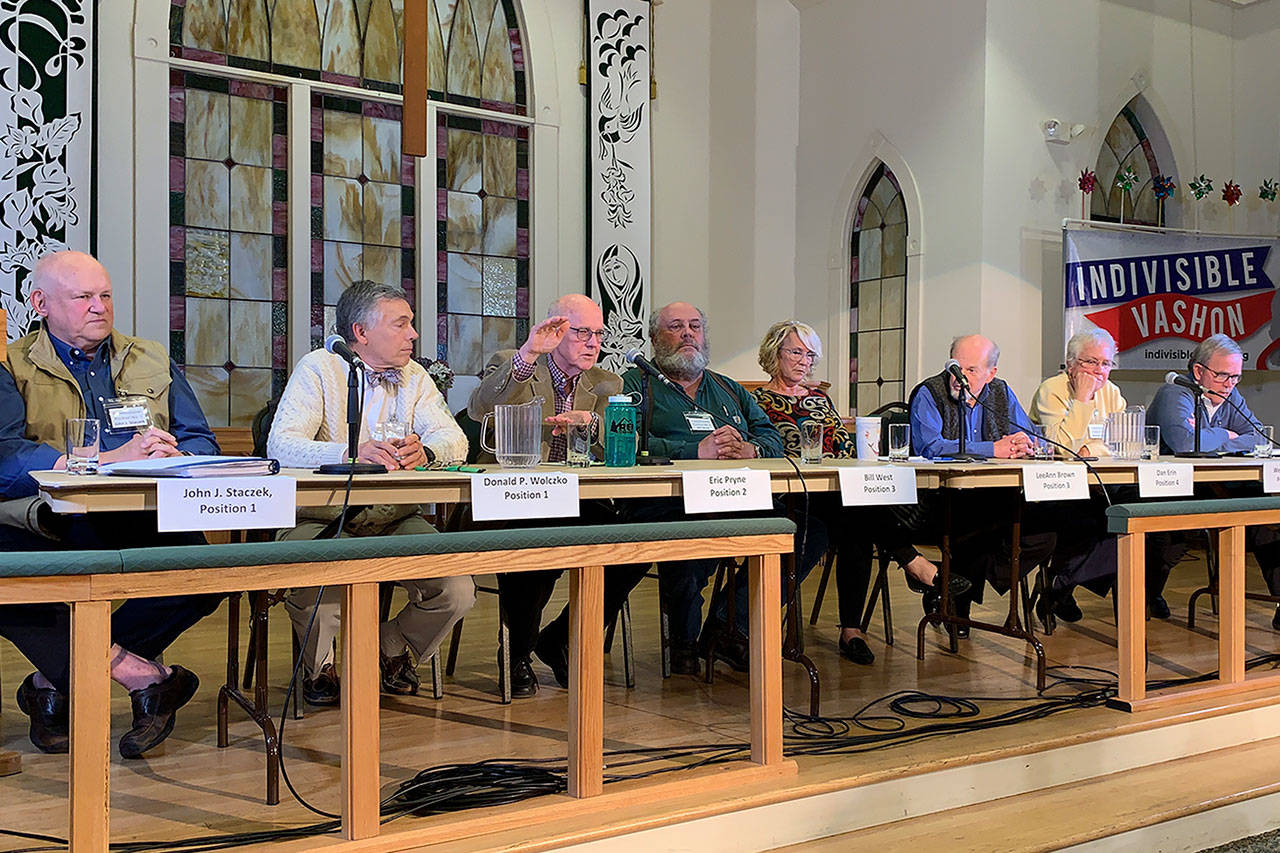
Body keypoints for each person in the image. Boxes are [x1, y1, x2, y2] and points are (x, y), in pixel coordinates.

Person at [0, 250, 221, 757]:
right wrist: (98, 460)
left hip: (142, 510)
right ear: (40, 303)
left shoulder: (151, 358)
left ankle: (53, 686)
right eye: (82, 297)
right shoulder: (10, 364)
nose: (98, 307)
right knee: (14, 580)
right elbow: (6, 453)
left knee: (201, 574)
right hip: (53, 519)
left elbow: (202, 442)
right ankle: (142, 675)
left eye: (105, 295)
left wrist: (177, 453)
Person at [268, 281, 473, 703]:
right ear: (360, 333)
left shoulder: (416, 376)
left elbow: (457, 440)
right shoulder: (319, 368)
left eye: (411, 324)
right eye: (401, 324)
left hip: (394, 516)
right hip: (322, 517)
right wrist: (349, 452)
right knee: (315, 578)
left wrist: (428, 450)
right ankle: (320, 669)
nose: (413, 334)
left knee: (456, 588)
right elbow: (281, 444)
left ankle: (390, 647)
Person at [621, 302, 827, 674]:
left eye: (695, 326)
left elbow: (771, 436)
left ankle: (729, 627)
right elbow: (625, 444)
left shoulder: (728, 389)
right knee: (692, 540)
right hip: (667, 501)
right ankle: (684, 643)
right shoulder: (635, 384)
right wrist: (692, 451)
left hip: (734, 495)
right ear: (654, 338)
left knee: (810, 530)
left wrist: (752, 448)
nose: (688, 333)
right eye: (676, 326)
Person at [752, 320, 968, 665]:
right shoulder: (756, 400)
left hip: (834, 494)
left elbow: (841, 444)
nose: (804, 361)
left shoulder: (820, 398)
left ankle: (855, 628)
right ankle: (912, 569)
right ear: (774, 353)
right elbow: (767, 449)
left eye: (810, 355)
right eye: (796, 352)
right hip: (789, 497)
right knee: (857, 516)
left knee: (856, 523)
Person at [468, 293, 648, 697]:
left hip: (578, 498)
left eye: (598, 334)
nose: (592, 342)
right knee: (539, 547)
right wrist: (528, 354)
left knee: (634, 544)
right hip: (514, 496)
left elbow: (627, 444)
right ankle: (515, 652)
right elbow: (480, 409)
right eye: (582, 332)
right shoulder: (513, 361)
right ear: (555, 330)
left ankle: (558, 637)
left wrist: (592, 425)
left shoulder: (606, 383)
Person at [909, 334, 1054, 632]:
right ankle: (957, 599)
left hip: (998, 497)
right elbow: (930, 447)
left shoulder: (1000, 393)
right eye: (955, 367)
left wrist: (1025, 446)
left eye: (972, 370)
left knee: (1046, 531)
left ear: (992, 373)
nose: (959, 377)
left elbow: (1026, 436)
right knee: (976, 523)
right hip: (939, 501)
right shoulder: (929, 392)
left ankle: (954, 587)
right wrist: (994, 449)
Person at [1147, 334, 1280, 624]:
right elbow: (1185, 442)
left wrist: (1213, 438)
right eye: (1223, 376)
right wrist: (1228, 435)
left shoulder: (1230, 394)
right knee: (1171, 539)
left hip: (1217, 485)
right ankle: (1146, 595)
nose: (1230, 384)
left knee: (1264, 517)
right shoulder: (1175, 393)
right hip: (1169, 487)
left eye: (1236, 377)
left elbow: (1259, 436)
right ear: (1199, 371)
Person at [1030, 328, 1126, 458]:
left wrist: (1089, 450)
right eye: (1091, 362)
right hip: (1059, 472)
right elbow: (1065, 448)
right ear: (1070, 364)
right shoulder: (1051, 389)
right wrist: (1082, 397)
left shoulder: (1111, 391)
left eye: (1106, 364)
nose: (1099, 370)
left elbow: (1128, 444)